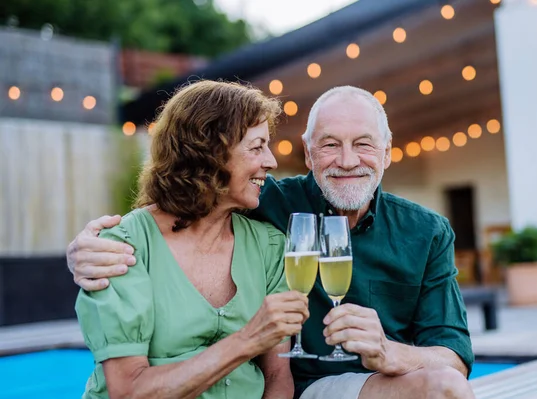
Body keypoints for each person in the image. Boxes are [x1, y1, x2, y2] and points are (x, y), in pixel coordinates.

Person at [68, 85, 475, 399]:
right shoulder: (270, 205)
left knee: (445, 385)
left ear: (387, 153)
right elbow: (186, 205)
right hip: (314, 386)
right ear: (310, 153)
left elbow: (454, 356)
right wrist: (84, 249)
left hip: (380, 381)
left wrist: (389, 351)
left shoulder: (426, 232)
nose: (348, 160)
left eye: (364, 144)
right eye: (331, 144)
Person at [73, 80, 311, 399]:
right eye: (257, 147)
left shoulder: (268, 246)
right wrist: (246, 341)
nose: (271, 161)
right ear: (209, 153)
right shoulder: (124, 247)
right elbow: (129, 390)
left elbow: (277, 375)